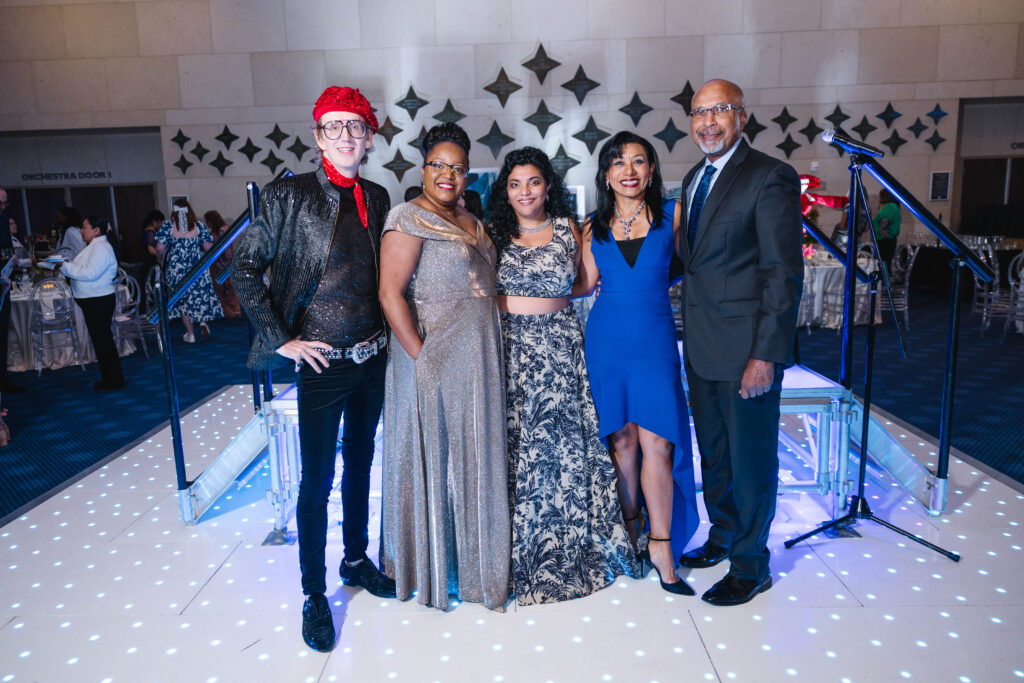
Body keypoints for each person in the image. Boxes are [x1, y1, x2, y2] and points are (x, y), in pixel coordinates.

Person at [232, 85, 395, 653]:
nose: (346, 136)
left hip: (372, 357)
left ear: (370, 136)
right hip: (321, 361)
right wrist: (283, 341)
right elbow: (244, 271)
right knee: (317, 480)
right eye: (334, 126)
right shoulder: (287, 197)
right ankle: (312, 593)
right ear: (318, 135)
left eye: (356, 126)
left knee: (361, 465)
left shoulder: (377, 194)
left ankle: (355, 560)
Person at [488, 147, 638, 605]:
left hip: (559, 347)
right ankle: (519, 556)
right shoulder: (493, 233)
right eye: (515, 184)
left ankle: (574, 548)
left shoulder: (567, 229)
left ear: (548, 185)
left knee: (566, 449)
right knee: (520, 451)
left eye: (533, 182)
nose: (524, 192)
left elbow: (586, 284)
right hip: (512, 350)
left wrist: (549, 302)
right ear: (505, 191)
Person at [675, 79, 803, 606]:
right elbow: (693, 261)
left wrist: (765, 356)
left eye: (720, 111)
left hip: (747, 350)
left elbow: (782, 273)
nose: (708, 121)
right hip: (702, 348)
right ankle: (724, 535)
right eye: (699, 112)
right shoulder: (691, 178)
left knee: (751, 461)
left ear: (742, 117)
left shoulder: (770, 176)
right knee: (717, 456)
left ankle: (752, 565)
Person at [378, 122, 510, 612]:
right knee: (437, 458)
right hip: (431, 355)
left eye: (458, 167)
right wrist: (420, 355)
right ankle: (436, 571)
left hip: (477, 356)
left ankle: (480, 569)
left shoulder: (472, 220)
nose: (449, 175)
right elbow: (390, 294)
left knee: (476, 453)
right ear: (423, 168)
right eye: (439, 165)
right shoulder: (407, 217)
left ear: (468, 172)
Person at [578, 131, 699, 596]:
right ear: (606, 175)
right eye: (618, 163)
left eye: (638, 161)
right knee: (622, 444)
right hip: (606, 340)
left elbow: (693, 265)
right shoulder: (593, 225)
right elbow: (584, 285)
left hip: (654, 341)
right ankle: (629, 532)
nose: (628, 171)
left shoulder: (674, 215)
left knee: (660, 443)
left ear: (651, 171)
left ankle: (662, 546)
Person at [59, 216, 125, 391]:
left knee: (103, 341)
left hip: (99, 300)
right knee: (101, 340)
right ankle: (110, 378)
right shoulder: (95, 246)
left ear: (96, 230)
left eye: (84, 227)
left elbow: (90, 273)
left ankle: (114, 380)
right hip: (94, 299)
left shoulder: (101, 248)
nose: (81, 230)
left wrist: (64, 266)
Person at [155, 198, 223, 343]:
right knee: (199, 295)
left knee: (183, 300)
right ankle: (203, 321)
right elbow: (208, 248)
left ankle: (190, 333)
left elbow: (160, 248)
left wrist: (161, 261)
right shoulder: (199, 225)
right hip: (196, 265)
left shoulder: (168, 225)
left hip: (176, 267)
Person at [0, 187, 24, 393]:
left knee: (2, 335)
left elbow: (6, 247)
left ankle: (3, 380)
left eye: (4, 203)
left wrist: (11, 260)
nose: (2, 207)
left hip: (3, 284)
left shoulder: (3, 220)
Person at [203, 210, 241, 318]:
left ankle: (234, 310)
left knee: (229, 287)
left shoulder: (223, 229)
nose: (207, 224)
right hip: (217, 263)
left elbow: (228, 250)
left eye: (208, 221)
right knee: (221, 288)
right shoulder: (216, 230)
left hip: (224, 262)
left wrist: (228, 261)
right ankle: (228, 311)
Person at [872, 188, 900, 268]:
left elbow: (885, 219)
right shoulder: (893, 206)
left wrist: (881, 229)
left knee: (882, 263)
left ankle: (884, 280)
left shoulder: (889, 206)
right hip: (888, 239)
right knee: (885, 262)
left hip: (884, 239)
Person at [140, 209, 165, 289]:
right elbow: (151, 250)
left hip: (149, 262)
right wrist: (163, 255)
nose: (161, 224)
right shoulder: (150, 233)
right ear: (154, 221)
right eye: (160, 222)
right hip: (151, 263)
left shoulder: (148, 231)